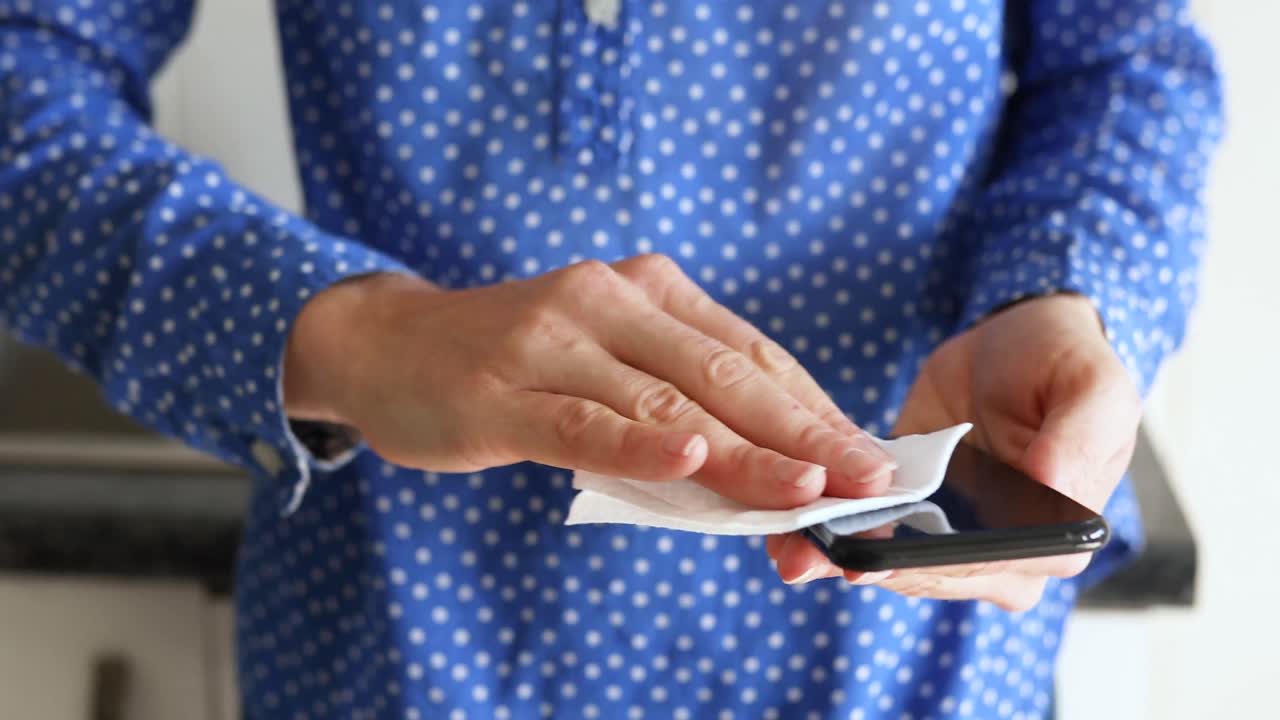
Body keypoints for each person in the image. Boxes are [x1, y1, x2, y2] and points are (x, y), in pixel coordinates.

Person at [0, 0, 1221, 717]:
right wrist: (350, 329)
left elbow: (1123, 59)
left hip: (910, 658)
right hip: (393, 646)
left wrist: (1066, 287)